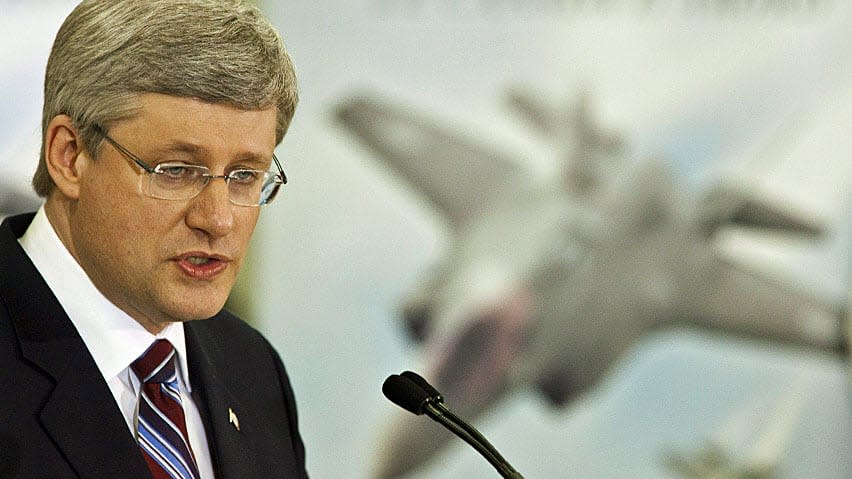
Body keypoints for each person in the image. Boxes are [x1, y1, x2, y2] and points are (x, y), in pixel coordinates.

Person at [0, 1, 307, 478]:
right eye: (177, 171)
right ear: (69, 155)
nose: (219, 219)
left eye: (245, 175)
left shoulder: (252, 369)